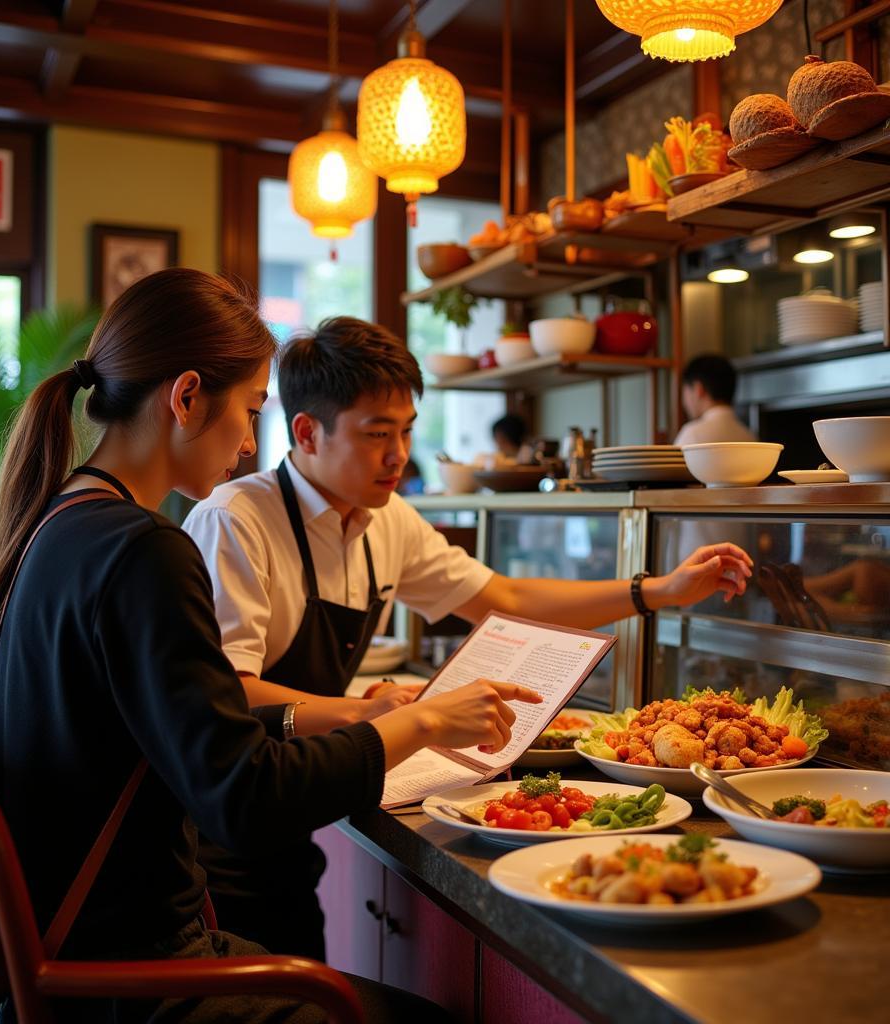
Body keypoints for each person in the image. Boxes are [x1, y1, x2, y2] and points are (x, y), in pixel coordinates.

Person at [0, 270, 541, 1024]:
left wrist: (349, 713)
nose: (251, 441)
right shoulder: (144, 551)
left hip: (69, 949)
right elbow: (245, 802)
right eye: (251, 410)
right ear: (186, 396)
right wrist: (415, 725)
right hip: (125, 979)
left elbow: (191, 725)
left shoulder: (64, 523)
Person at [182, 316, 754, 960]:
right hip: (219, 831)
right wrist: (374, 714)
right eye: (377, 435)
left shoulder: (387, 519)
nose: (398, 455)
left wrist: (654, 592)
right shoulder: (235, 519)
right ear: (307, 432)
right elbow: (231, 689)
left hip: (298, 800)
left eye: (405, 431)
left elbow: (502, 599)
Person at [673, 353, 757, 446]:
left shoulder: (692, 435)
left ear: (698, 389)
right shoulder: (749, 436)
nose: (684, 402)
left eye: (684, 391)